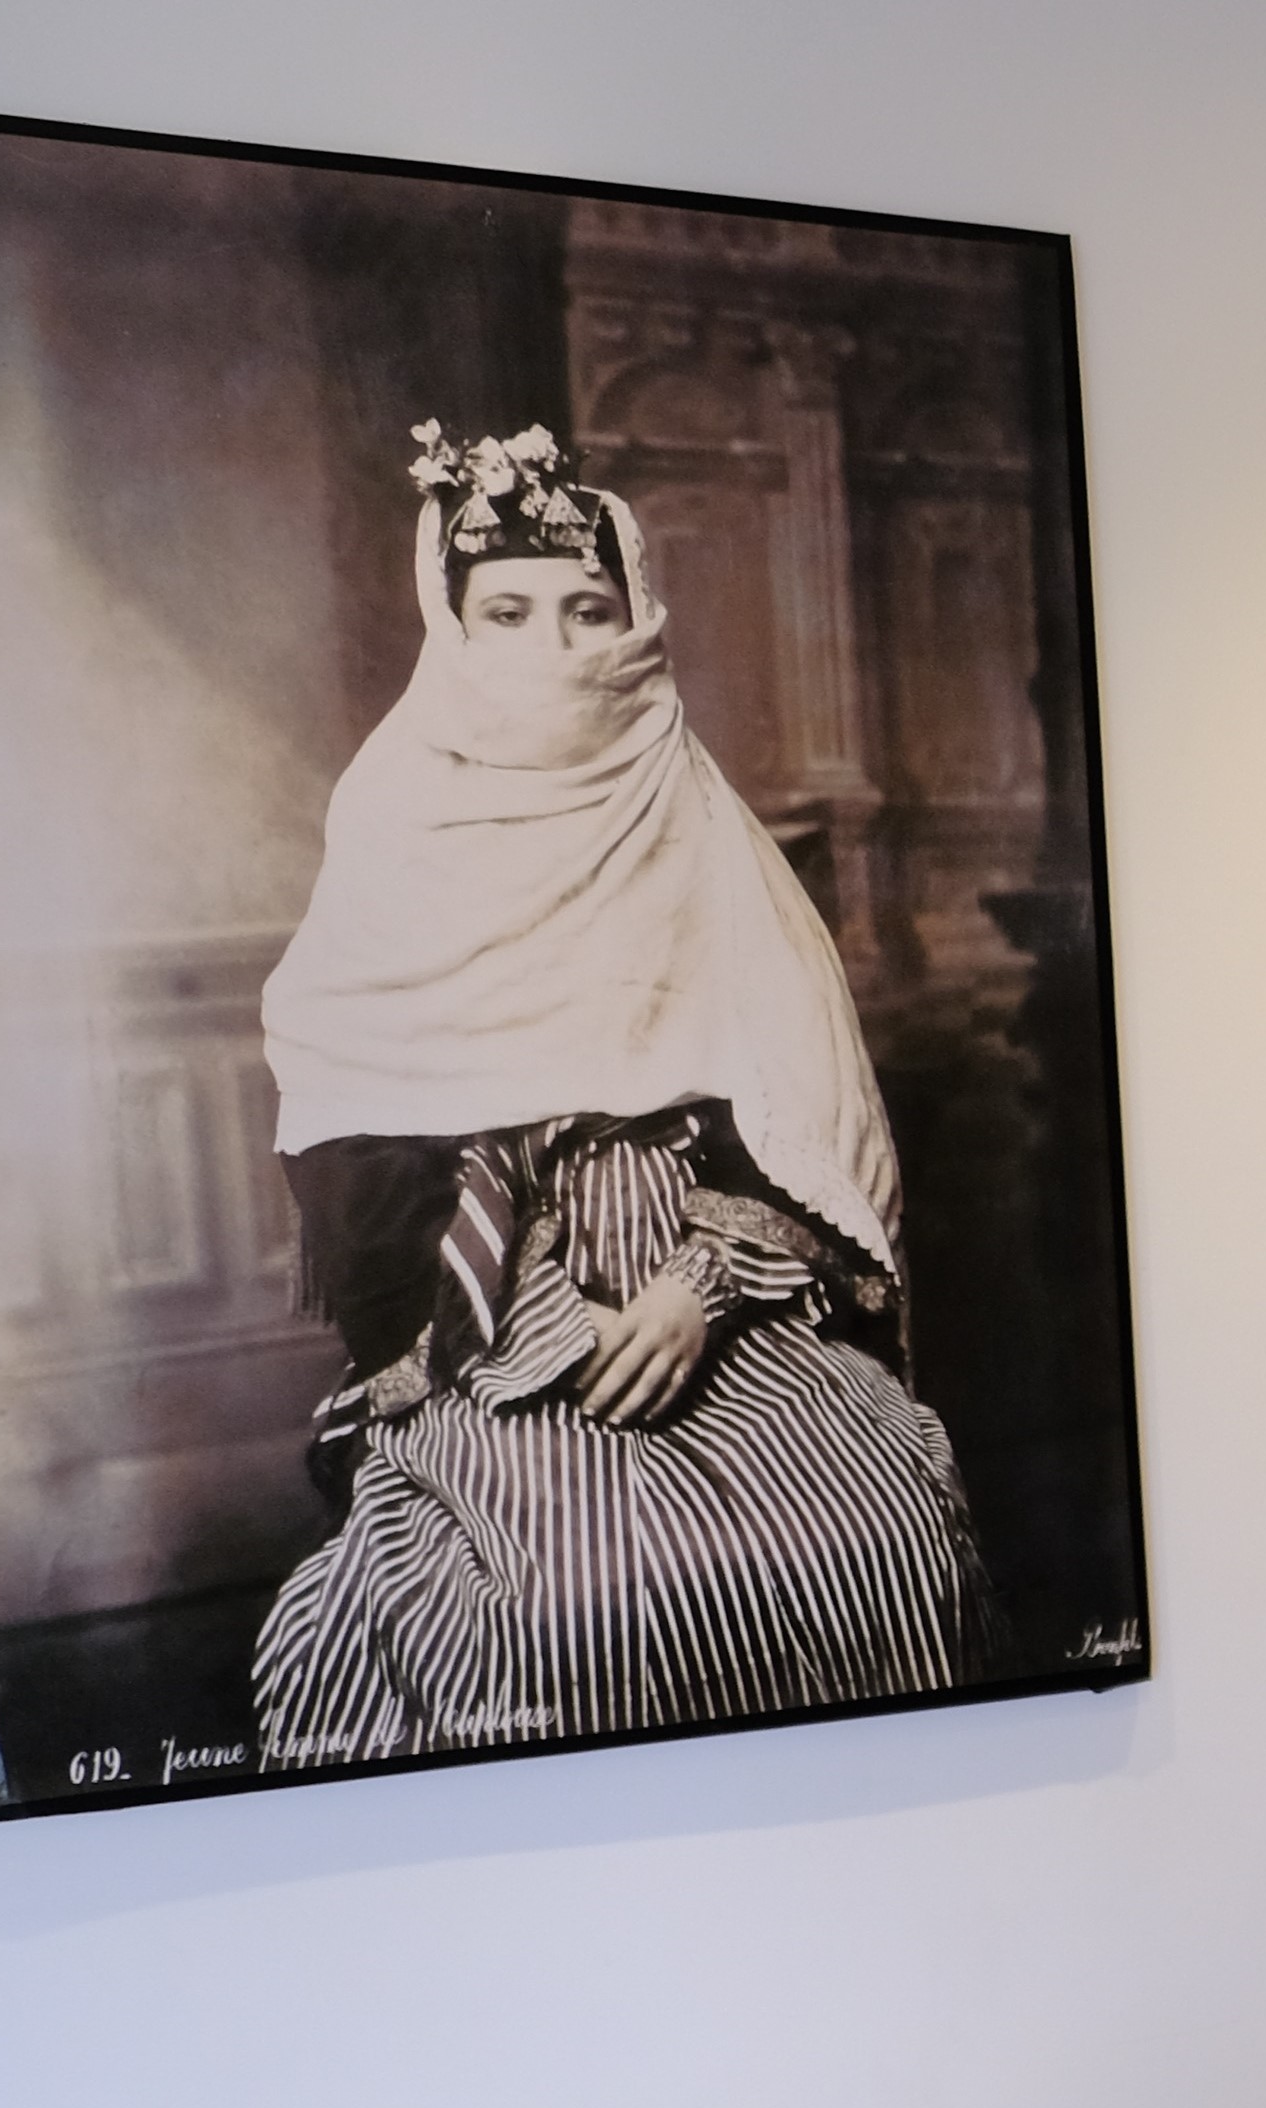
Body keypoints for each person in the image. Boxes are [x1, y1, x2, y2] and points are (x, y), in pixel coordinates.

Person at [250, 420, 984, 1766]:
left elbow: (796, 1111)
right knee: (568, 1596)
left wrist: (704, 1285)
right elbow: (360, 1136)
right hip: (497, 1313)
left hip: (708, 1280)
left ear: (640, 620)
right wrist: (535, 1322)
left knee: (869, 1526)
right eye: (510, 613)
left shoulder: (704, 832)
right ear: (452, 626)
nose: (555, 647)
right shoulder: (392, 827)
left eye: (589, 610)